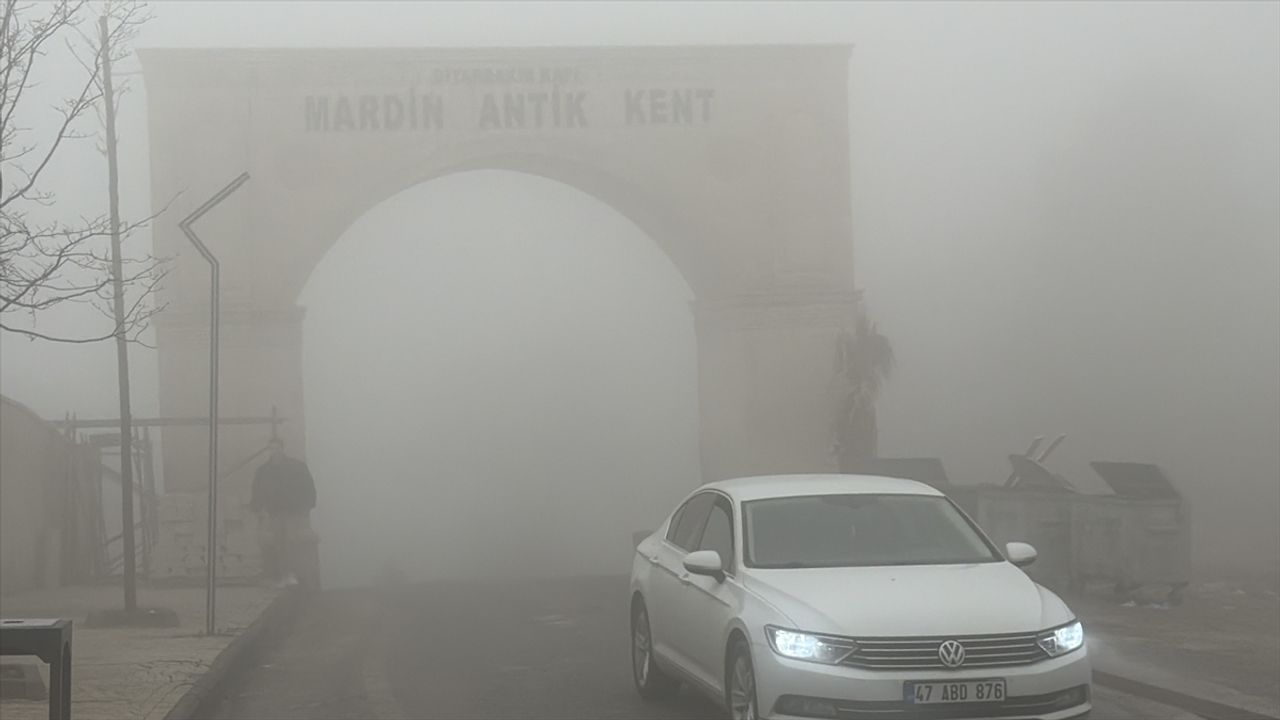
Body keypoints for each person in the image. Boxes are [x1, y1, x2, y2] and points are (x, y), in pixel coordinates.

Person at [250, 438, 318, 589]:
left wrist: (307, 507)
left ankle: (293, 574)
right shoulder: (264, 471)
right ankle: (284, 575)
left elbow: (308, 486)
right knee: (279, 543)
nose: (274, 451)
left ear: (282, 448)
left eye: (276, 448)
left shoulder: (296, 467)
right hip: (274, 512)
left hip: (293, 511)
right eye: (271, 449)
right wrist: (257, 508)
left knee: (292, 541)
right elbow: (257, 489)